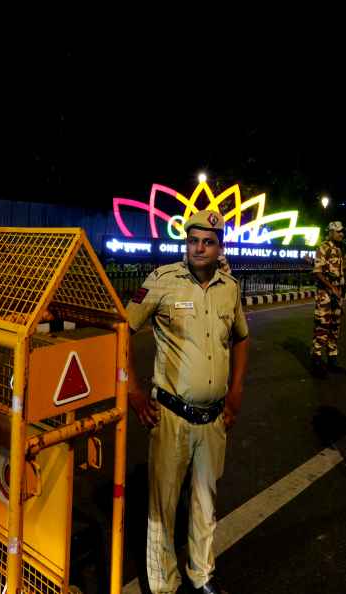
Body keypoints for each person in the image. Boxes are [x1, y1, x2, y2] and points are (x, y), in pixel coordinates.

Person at [126, 209, 250, 594]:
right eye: (193, 240)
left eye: (208, 242)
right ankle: (164, 585)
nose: (199, 247)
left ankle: (202, 576)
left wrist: (236, 391)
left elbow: (242, 338)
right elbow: (122, 329)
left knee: (204, 501)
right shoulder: (162, 281)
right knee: (163, 506)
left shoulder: (229, 287)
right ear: (186, 243)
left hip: (214, 419)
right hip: (171, 416)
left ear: (219, 247)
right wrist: (131, 389)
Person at [312, 221, 346, 377]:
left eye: (342, 231)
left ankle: (332, 361)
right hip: (325, 296)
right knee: (322, 328)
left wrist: (341, 287)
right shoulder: (323, 248)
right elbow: (317, 272)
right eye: (339, 232)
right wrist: (331, 287)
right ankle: (316, 362)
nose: (341, 234)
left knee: (335, 328)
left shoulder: (338, 250)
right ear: (331, 232)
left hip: (337, 295)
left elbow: (339, 271)